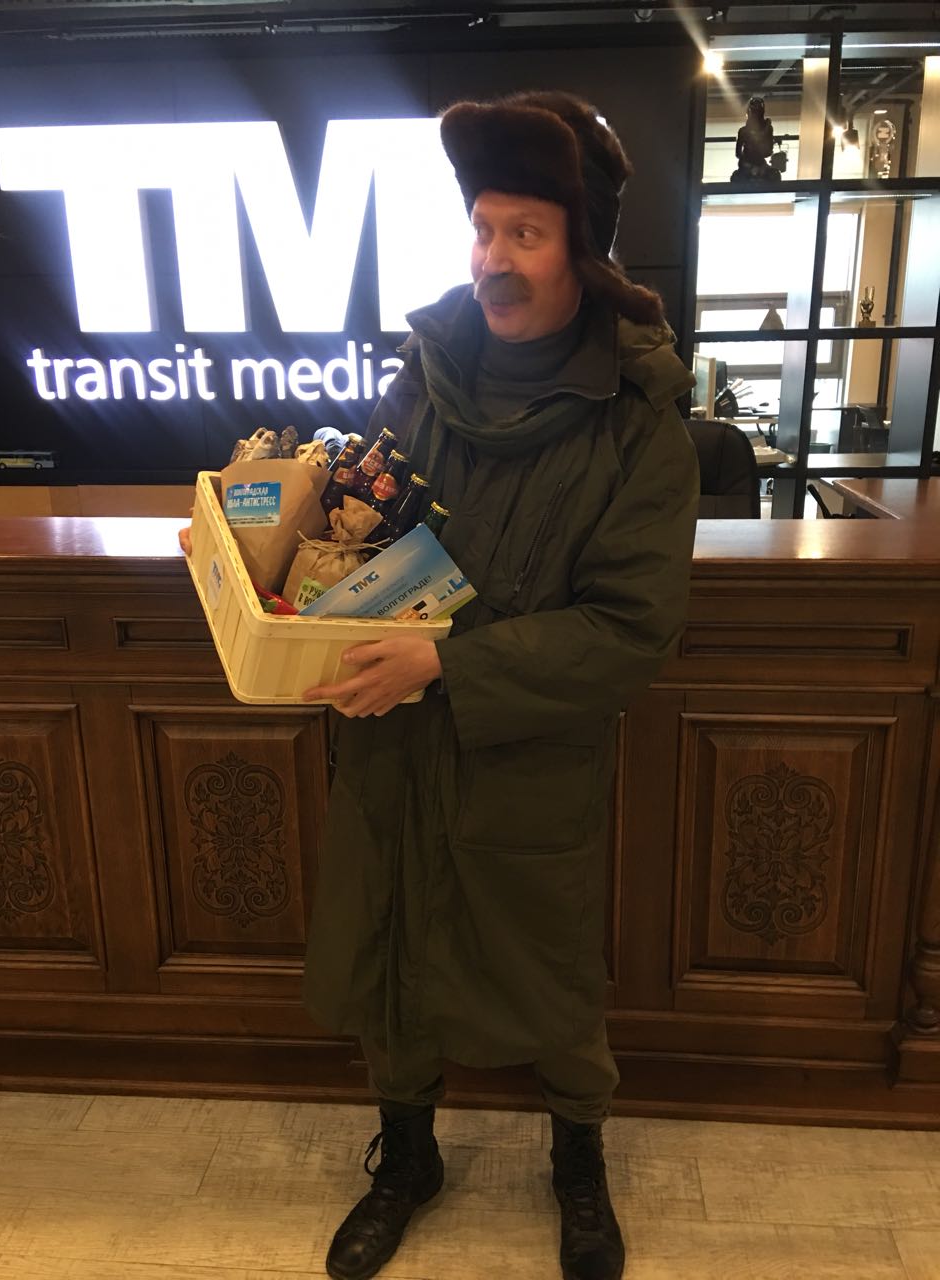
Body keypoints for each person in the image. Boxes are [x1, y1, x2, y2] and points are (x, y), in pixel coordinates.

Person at [184, 89, 699, 1280]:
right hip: (391, 737)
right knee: (393, 952)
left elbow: (631, 628)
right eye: (482, 228)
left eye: (526, 232)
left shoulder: (637, 426)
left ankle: (579, 1163)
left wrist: (451, 662)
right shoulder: (420, 380)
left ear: (581, 248)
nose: (494, 259)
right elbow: (360, 536)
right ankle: (407, 1158)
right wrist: (256, 557)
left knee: (551, 970)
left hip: (528, 758)